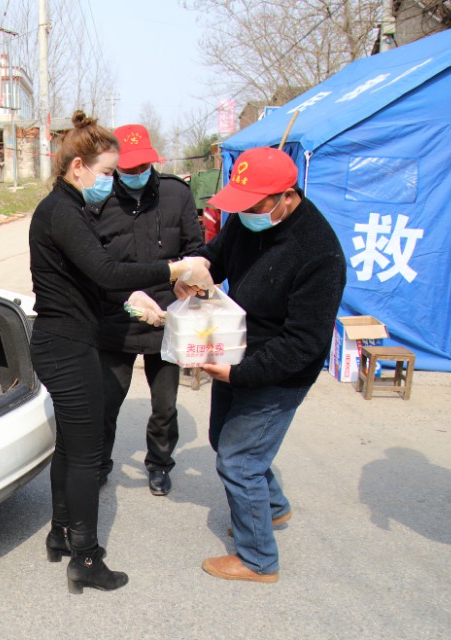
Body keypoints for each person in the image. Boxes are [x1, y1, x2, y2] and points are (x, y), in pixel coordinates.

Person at [29, 111, 213, 593]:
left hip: (66, 338)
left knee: (71, 447)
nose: (111, 182)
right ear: (78, 168)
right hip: (67, 345)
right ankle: (85, 558)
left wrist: (135, 301)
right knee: (88, 455)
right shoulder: (63, 213)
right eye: (107, 172)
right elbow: (108, 271)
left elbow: (94, 280)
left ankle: (59, 534)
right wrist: (175, 269)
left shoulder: (68, 209)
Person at [177, 146, 346, 583]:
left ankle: (258, 560)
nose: (245, 212)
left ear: (287, 197)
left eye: (254, 205)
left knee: (239, 461)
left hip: (280, 370)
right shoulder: (246, 218)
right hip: (237, 347)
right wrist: (199, 271)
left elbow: (305, 342)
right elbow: (218, 254)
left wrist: (238, 373)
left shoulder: (318, 253)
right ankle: (271, 507)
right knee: (221, 437)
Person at [84, 124, 204, 495]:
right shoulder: (98, 200)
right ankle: (99, 463)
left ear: (154, 160)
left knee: (165, 404)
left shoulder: (175, 194)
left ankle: (159, 464)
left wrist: (189, 280)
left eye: (141, 168)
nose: (135, 175)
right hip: (117, 316)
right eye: (127, 168)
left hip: (167, 316)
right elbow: (92, 264)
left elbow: (196, 249)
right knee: (104, 402)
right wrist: (125, 297)